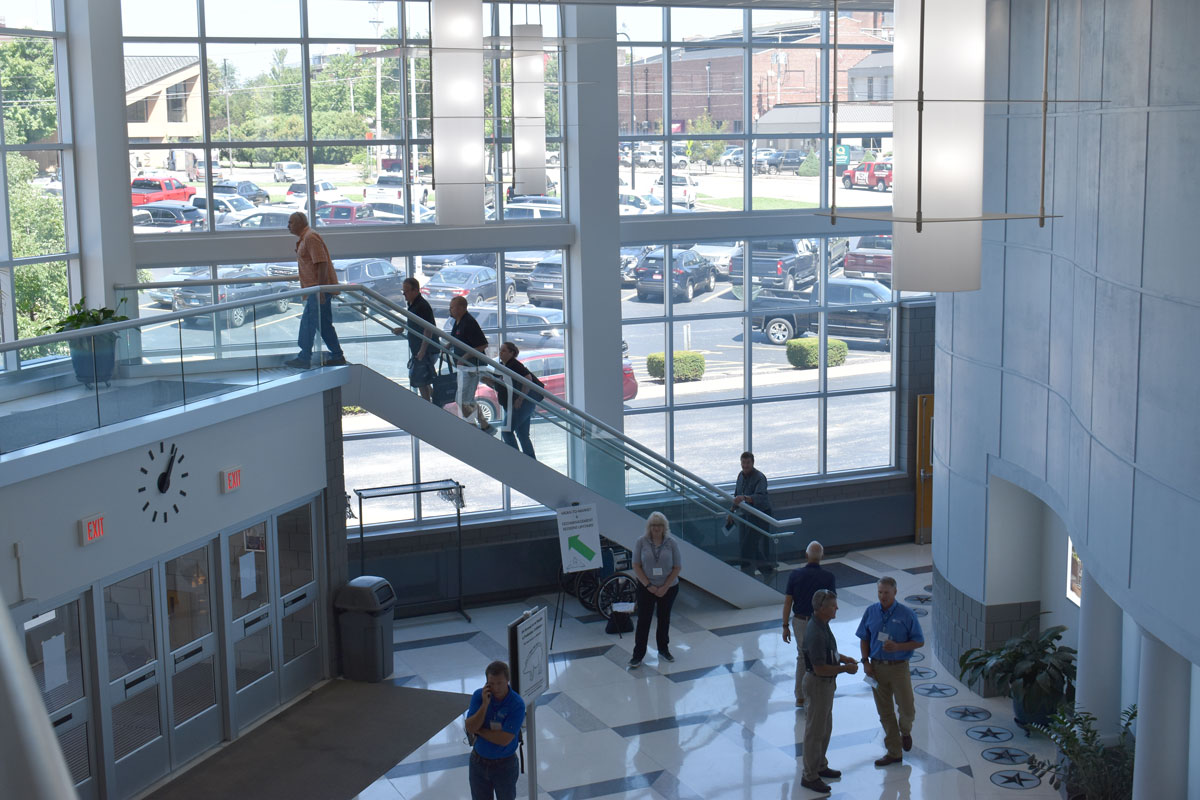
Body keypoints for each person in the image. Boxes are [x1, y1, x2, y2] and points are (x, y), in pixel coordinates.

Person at [856, 576, 925, 767]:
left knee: (907, 708)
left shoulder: (906, 614)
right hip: (877, 668)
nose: (883, 596)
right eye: (880, 592)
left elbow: (919, 641)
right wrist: (865, 662)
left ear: (895, 592)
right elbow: (864, 638)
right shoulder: (871, 612)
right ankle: (894, 751)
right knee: (885, 711)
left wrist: (898, 647)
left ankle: (905, 731)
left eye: (886, 592)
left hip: (899, 667)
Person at [801, 588, 858, 795]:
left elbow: (828, 653)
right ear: (822, 608)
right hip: (818, 684)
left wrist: (843, 658)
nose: (837, 608)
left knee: (825, 728)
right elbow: (819, 668)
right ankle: (809, 775)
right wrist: (845, 669)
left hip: (825, 684)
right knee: (815, 731)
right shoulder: (816, 632)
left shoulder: (822, 624)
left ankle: (820, 765)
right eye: (833, 606)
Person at [284, 211, 346, 369]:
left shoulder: (310, 237)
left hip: (317, 290)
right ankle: (337, 355)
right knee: (323, 325)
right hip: (316, 289)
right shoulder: (306, 237)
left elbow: (321, 263)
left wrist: (320, 290)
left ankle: (304, 358)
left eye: (291, 222)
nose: (288, 226)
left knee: (308, 323)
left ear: (300, 223)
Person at [782, 540, 836, 708]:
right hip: (819, 622)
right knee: (821, 655)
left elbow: (788, 602)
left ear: (806, 555)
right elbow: (831, 604)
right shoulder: (828, 577)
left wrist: (785, 626)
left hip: (800, 621)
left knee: (802, 656)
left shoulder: (795, 575)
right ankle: (818, 691)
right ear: (822, 556)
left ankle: (800, 696)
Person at [464, 660, 525, 800]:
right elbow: (470, 727)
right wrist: (485, 705)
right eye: (491, 684)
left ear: (507, 681)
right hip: (478, 762)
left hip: (505, 766)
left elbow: (504, 739)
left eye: (499, 683)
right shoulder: (479, 696)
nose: (496, 688)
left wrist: (480, 731)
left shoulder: (516, 704)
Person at [628, 511, 682, 668]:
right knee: (643, 621)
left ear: (664, 527)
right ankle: (638, 655)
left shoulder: (671, 543)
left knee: (664, 619)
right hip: (646, 587)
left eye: (659, 525)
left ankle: (663, 649)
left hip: (668, 588)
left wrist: (665, 587)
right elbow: (636, 565)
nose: (656, 528)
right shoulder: (641, 542)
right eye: (653, 525)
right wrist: (649, 586)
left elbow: (677, 567)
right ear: (649, 527)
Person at [447, 295, 496, 434]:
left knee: (462, 399)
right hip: (464, 367)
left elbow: (482, 345)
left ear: (462, 308)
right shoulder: (458, 321)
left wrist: (464, 357)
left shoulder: (469, 322)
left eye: (452, 307)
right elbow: (455, 338)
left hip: (472, 367)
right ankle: (484, 425)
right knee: (465, 399)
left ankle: (475, 427)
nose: (450, 310)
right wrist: (448, 345)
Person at [487, 341, 541, 458]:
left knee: (506, 431)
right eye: (500, 350)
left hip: (521, 405)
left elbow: (528, 379)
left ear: (511, 353)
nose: (500, 353)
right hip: (516, 404)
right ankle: (530, 461)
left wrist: (520, 399)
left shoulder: (514, 365)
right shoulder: (503, 366)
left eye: (504, 350)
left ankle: (517, 459)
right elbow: (497, 384)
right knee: (522, 435)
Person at [726, 451, 773, 575]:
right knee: (750, 545)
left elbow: (760, 497)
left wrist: (745, 498)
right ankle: (767, 571)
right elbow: (737, 495)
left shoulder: (760, 477)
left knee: (747, 546)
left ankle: (747, 574)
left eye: (748, 463)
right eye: (743, 463)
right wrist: (731, 511)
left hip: (761, 515)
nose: (745, 465)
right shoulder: (740, 476)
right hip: (748, 515)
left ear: (753, 463)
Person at [398, 277, 436, 401]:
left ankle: (429, 407)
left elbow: (428, 329)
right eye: (403, 291)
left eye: (406, 291)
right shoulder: (413, 303)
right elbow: (414, 322)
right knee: (423, 382)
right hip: (420, 350)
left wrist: (422, 351)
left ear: (415, 290)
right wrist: (403, 327)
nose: (404, 294)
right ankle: (435, 403)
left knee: (421, 381)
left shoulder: (422, 306)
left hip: (426, 350)